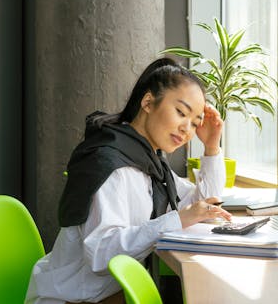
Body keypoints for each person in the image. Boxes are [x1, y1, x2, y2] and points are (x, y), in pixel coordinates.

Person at [26, 58, 232, 304]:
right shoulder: (112, 164)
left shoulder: (149, 162)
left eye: (195, 123)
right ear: (147, 102)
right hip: (71, 300)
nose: (187, 129)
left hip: (110, 296)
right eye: (181, 112)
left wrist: (211, 147)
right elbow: (100, 254)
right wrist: (177, 219)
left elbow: (205, 205)